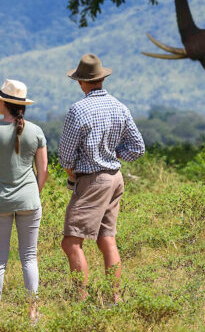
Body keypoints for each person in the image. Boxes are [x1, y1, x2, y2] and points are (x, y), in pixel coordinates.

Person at [58, 54, 145, 302]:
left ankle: (81, 300)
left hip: (93, 180)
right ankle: (114, 297)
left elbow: (65, 156)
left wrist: (71, 173)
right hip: (115, 177)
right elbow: (138, 147)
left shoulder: (78, 110)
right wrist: (116, 153)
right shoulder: (120, 106)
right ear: (101, 79)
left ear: (81, 82)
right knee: (107, 239)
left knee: (71, 242)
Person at [0, 79, 49, 321]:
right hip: (29, 200)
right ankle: (33, 311)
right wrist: (33, 194)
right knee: (29, 256)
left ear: (2, 104)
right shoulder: (37, 131)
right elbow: (44, 171)